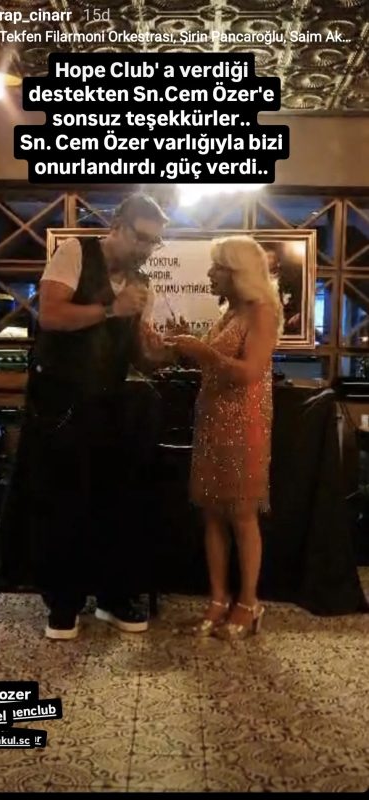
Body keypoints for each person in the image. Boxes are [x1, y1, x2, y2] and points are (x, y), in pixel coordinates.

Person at [0, 193, 170, 640]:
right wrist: (112, 308)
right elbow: (51, 315)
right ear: (117, 226)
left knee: (111, 502)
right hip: (60, 404)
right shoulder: (75, 252)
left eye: (154, 242)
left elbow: (135, 353)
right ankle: (62, 604)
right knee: (62, 502)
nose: (146, 249)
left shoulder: (142, 283)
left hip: (108, 404)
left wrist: (158, 351)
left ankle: (110, 596)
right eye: (142, 238)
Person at [165, 235, 283, 640]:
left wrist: (202, 352)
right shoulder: (228, 311)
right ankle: (217, 600)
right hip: (213, 418)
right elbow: (216, 364)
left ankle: (249, 603)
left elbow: (250, 372)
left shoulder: (262, 311)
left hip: (244, 422)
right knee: (212, 512)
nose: (210, 273)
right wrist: (185, 345)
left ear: (238, 272)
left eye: (217, 267)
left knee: (242, 514)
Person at [264, 244, 302, 334]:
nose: (266, 260)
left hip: (285, 324)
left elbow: (299, 299)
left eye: (269, 257)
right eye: (264, 258)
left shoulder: (288, 280)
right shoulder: (255, 280)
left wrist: (298, 314)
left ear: (277, 261)